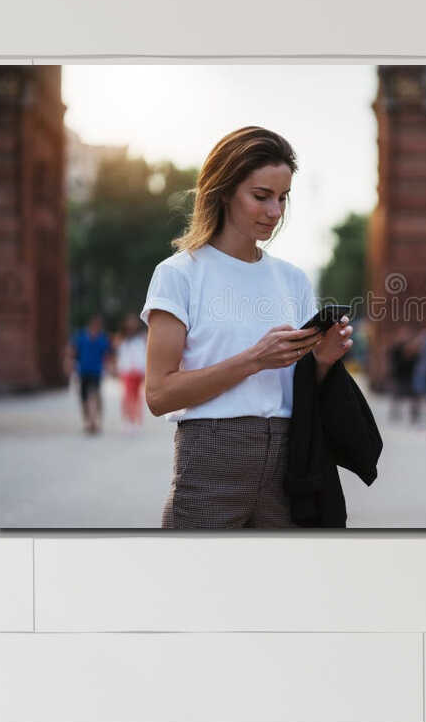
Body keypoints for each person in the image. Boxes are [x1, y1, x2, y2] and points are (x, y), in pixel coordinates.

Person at [139, 125, 352, 528]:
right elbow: (158, 394)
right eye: (261, 196)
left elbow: (302, 389)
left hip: (290, 468)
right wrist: (255, 359)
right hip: (210, 463)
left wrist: (323, 361)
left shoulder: (293, 280)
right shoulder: (178, 275)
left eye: (283, 198)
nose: (275, 212)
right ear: (223, 191)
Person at [67, 311, 111, 435]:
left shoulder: (102, 338)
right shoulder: (81, 336)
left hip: (96, 371)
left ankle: (95, 421)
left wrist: (108, 368)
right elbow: (73, 352)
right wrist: (70, 365)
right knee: (84, 398)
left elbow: (107, 354)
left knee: (95, 396)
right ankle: (88, 420)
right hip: (83, 371)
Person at [111, 313, 147, 426]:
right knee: (127, 395)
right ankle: (128, 418)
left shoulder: (142, 336)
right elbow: (115, 353)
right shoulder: (121, 337)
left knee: (136, 396)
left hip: (139, 370)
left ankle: (135, 418)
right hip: (126, 370)